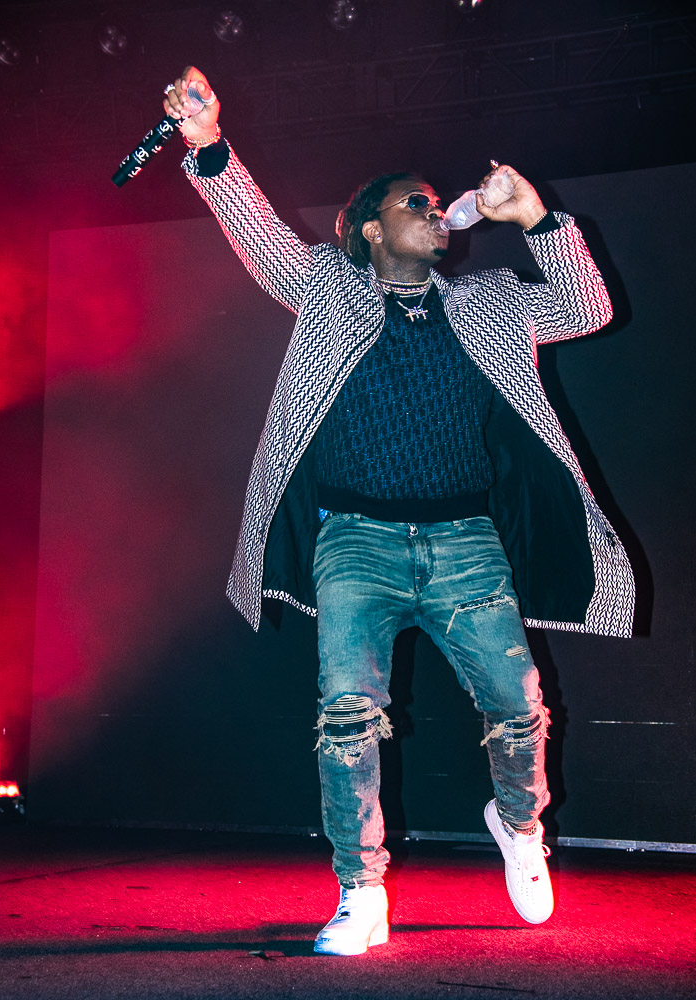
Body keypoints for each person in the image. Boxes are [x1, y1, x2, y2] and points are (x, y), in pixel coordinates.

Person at [162, 67, 635, 955]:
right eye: (415, 202)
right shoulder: (325, 289)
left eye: (436, 201)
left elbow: (584, 304)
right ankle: (360, 891)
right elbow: (260, 236)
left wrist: (533, 216)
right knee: (345, 713)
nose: (437, 209)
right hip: (354, 542)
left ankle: (520, 828)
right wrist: (205, 141)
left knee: (517, 706)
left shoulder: (489, 303)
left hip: (465, 541)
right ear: (372, 228)